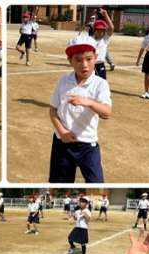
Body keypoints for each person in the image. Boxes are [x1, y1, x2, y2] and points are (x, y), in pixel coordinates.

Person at [49, 35, 112, 183]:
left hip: (88, 145)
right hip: (62, 143)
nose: (84, 64)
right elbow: (52, 110)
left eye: (89, 59)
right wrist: (62, 132)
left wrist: (87, 102)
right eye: (78, 60)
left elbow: (107, 111)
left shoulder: (100, 84)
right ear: (69, 60)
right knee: (59, 183)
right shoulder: (63, 81)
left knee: (96, 183)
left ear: (96, 58)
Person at [92, 9, 114, 80]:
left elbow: (111, 28)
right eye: (98, 30)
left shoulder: (104, 39)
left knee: (102, 83)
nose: (100, 32)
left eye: (102, 30)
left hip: (100, 65)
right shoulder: (89, 39)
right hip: (91, 65)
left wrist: (106, 14)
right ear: (94, 30)